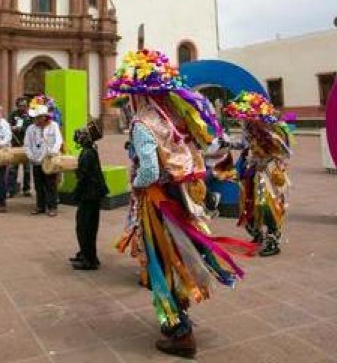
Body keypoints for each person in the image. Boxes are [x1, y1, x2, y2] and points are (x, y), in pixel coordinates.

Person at [109, 49, 255, 359]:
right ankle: (180, 312)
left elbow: (149, 169)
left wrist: (134, 185)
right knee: (180, 253)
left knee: (162, 259)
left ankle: (179, 331)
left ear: (136, 94)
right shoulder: (175, 116)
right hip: (184, 197)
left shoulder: (142, 123)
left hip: (160, 202)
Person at [224, 91, 293, 257]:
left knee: (266, 204)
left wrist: (267, 157)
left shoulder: (271, 130)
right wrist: (227, 143)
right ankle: (257, 234)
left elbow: (284, 152)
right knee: (249, 203)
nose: (241, 118)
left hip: (267, 173)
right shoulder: (248, 127)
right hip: (252, 171)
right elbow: (244, 144)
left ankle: (273, 239)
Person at [69, 122, 108, 270]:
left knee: (85, 227)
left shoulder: (87, 154)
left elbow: (84, 177)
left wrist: (76, 194)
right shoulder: (90, 150)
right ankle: (85, 254)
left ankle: (89, 260)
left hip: (89, 195)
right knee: (88, 227)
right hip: (92, 194)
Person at [25, 98, 63, 217]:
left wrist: (53, 151)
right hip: (36, 161)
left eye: (37, 117)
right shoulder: (31, 129)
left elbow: (58, 140)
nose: (35, 120)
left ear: (44, 117)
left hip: (49, 161)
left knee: (50, 184)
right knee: (38, 185)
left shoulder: (53, 126)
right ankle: (40, 206)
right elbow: (27, 144)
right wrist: (31, 156)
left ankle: (52, 207)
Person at [6, 96, 32, 197]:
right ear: (17, 106)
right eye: (20, 106)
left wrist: (20, 129)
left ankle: (26, 189)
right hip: (15, 145)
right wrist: (11, 127)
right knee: (12, 169)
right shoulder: (13, 114)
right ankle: (11, 190)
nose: (23, 108)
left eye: (25, 105)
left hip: (27, 146)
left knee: (27, 169)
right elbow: (8, 125)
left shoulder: (30, 115)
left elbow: (31, 128)